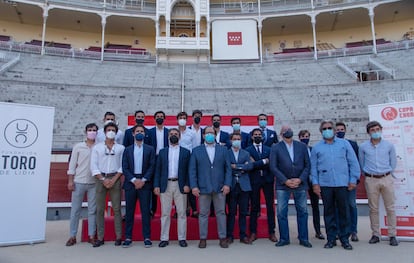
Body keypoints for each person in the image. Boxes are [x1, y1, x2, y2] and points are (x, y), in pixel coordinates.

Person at [311, 120, 360, 250]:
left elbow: (353, 163)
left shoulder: (345, 144)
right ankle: (331, 239)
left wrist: (353, 179)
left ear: (334, 130)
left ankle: (345, 239)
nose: (328, 130)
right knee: (328, 212)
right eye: (325, 128)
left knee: (344, 212)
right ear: (321, 132)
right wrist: (315, 184)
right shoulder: (317, 147)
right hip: (326, 184)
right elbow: (313, 168)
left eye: (329, 128)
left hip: (342, 183)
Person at [189, 126, 232, 249]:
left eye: (212, 133)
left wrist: (227, 184)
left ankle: (222, 238)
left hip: (220, 188)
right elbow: (192, 170)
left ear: (215, 134)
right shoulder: (196, 150)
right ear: (203, 136)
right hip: (203, 188)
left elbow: (228, 169)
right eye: (207, 133)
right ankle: (203, 238)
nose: (209, 135)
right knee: (203, 214)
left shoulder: (223, 150)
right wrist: (194, 186)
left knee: (221, 213)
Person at [270, 125, 312, 248]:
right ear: (281, 134)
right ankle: (284, 238)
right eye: (285, 130)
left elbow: (307, 165)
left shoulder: (302, 146)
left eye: (289, 130)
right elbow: (273, 167)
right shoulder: (276, 148)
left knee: (303, 211)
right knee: (282, 212)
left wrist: (300, 179)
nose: (288, 132)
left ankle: (303, 238)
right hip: (283, 185)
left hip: (300, 184)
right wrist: (285, 180)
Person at [359, 121, 398, 246]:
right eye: (372, 130)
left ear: (381, 129)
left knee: (390, 208)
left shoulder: (389, 145)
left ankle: (392, 235)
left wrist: (387, 173)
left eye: (377, 129)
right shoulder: (363, 147)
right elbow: (362, 162)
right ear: (369, 132)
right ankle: (375, 234)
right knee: (373, 208)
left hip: (386, 177)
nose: (375, 132)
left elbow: (393, 162)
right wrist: (368, 175)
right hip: (371, 179)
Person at [154, 128, 191, 248]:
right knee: (165, 213)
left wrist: (187, 184)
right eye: (171, 134)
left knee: (181, 213)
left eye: (176, 134)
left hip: (180, 185)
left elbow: (188, 171)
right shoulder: (162, 152)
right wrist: (156, 185)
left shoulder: (186, 152)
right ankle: (164, 238)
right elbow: (158, 170)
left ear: (179, 137)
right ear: (168, 136)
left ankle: (182, 238)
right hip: (166, 185)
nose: (173, 136)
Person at [90, 122, 125, 247]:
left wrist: (114, 179)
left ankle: (119, 236)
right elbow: (93, 166)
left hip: (115, 178)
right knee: (100, 209)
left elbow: (122, 166)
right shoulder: (97, 148)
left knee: (116, 209)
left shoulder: (121, 148)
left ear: (116, 133)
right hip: (101, 179)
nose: (111, 132)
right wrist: (103, 179)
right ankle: (100, 237)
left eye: (113, 130)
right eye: (108, 130)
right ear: (104, 132)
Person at [121, 124, 156, 248]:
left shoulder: (150, 149)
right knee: (129, 212)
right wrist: (134, 180)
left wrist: (143, 180)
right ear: (133, 134)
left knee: (145, 211)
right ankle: (128, 237)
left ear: (145, 134)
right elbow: (124, 167)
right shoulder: (127, 149)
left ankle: (147, 237)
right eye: (137, 131)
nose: (139, 133)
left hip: (145, 183)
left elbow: (152, 166)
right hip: (131, 183)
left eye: (142, 131)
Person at [66, 123, 98, 246]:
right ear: (85, 132)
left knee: (92, 210)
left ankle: (91, 235)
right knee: (75, 210)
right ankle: (72, 236)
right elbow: (72, 165)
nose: (92, 132)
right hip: (78, 181)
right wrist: (70, 181)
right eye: (90, 130)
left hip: (94, 182)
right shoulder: (78, 146)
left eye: (94, 130)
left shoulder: (99, 147)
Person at [245, 128, 277, 243]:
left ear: (262, 136)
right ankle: (253, 232)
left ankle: (272, 231)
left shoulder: (269, 149)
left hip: (267, 180)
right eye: (255, 135)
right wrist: (264, 162)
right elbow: (250, 165)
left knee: (270, 206)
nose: (258, 136)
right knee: (254, 206)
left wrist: (257, 163)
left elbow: (272, 163)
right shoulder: (247, 150)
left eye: (259, 134)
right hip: (254, 180)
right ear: (252, 137)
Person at [226, 133, 253, 245]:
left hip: (244, 186)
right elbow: (227, 167)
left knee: (243, 212)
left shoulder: (246, 153)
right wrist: (242, 166)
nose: (236, 141)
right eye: (234, 139)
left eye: (238, 139)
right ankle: (230, 236)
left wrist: (236, 166)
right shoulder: (226, 153)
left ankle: (243, 235)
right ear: (231, 141)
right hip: (232, 185)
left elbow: (250, 166)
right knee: (231, 212)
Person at [298, 129, 325, 240]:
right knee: (301, 207)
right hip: (302, 180)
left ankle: (318, 231)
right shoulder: (297, 149)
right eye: (303, 136)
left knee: (315, 207)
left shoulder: (312, 149)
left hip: (313, 179)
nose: (306, 138)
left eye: (307, 136)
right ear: (299, 138)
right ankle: (302, 233)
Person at [335, 121, 359, 242]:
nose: (340, 131)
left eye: (341, 129)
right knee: (338, 207)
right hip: (337, 181)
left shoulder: (353, 144)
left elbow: (355, 163)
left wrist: (354, 179)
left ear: (345, 130)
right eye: (337, 129)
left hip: (350, 181)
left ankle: (353, 230)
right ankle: (341, 230)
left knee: (351, 205)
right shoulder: (331, 144)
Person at [148, 110, 169, 217]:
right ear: (154, 118)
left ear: (164, 119)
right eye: (158, 116)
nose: (160, 118)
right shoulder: (149, 132)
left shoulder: (169, 132)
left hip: (165, 159)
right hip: (153, 159)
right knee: (153, 184)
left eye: (161, 116)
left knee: (165, 183)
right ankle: (152, 209)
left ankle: (166, 210)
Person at [187, 109, 204, 218]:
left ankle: (203, 209)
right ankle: (192, 209)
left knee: (202, 184)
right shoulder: (187, 131)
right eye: (195, 116)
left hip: (202, 161)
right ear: (192, 117)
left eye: (199, 116)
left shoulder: (204, 132)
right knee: (190, 184)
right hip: (190, 160)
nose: (197, 118)